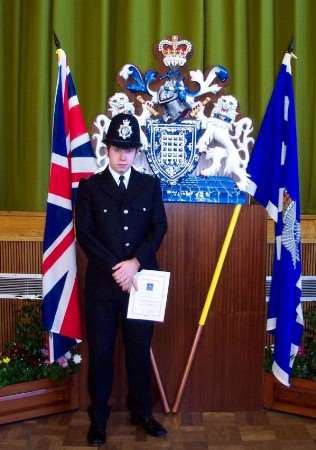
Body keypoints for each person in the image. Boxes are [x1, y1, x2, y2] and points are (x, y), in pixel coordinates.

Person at [75, 113, 168, 446]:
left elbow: (159, 227)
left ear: (136, 151)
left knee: (139, 351)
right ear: (107, 149)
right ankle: (98, 419)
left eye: (129, 148)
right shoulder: (89, 188)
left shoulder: (149, 185)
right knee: (100, 354)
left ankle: (142, 413)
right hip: (103, 286)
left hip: (141, 282)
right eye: (117, 147)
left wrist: (136, 263)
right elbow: (84, 234)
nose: (123, 154)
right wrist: (119, 267)